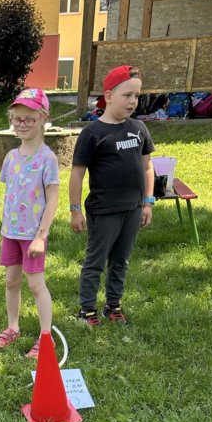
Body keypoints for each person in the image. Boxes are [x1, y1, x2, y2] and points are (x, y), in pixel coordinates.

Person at [70, 65, 155, 325]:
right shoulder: (92, 133)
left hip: (133, 208)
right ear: (108, 95)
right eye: (127, 95)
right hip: (104, 210)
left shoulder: (139, 128)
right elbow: (77, 174)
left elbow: (148, 167)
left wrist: (148, 202)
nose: (133, 101)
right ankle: (87, 309)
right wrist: (75, 209)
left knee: (121, 260)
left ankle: (113, 305)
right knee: (95, 261)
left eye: (137, 96)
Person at [0, 89, 59, 359]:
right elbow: (11, 191)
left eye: (29, 119)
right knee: (11, 281)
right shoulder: (11, 157)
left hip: (33, 235)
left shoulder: (47, 159)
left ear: (43, 119)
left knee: (35, 285)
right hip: (10, 232)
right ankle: (13, 327)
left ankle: (46, 337)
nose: (22, 124)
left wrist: (41, 236)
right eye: (17, 119)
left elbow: (52, 200)